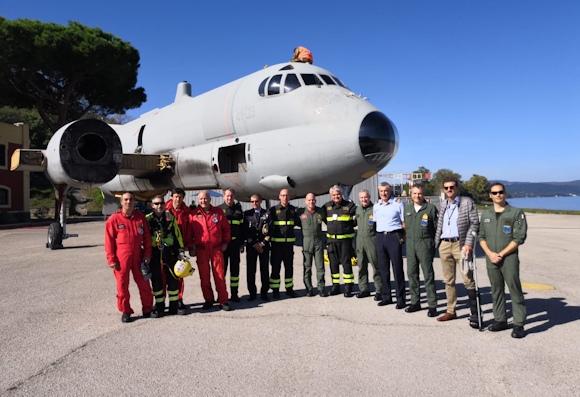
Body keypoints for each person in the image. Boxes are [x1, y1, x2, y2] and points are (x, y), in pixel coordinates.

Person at [479, 183, 528, 338]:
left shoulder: (516, 213)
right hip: (491, 258)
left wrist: (500, 254)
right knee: (496, 289)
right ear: (490, 195)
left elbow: (519, 238)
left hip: (509, 258)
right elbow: (481, 237)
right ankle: (500, 320)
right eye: (494, 193)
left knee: (514, 289)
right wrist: (490, 254)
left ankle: (519, 323)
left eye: (501, 192)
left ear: (505, 194)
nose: (498, 195)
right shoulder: (486, 214)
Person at [434, 177, 480, 327]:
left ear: (457, 188)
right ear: (443, 190)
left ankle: (475, 312)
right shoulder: (443, 204)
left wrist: (468, 243)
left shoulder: (467, 202)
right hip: (445, 244)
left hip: (460, 245)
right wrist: (438, 243)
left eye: (451, 187)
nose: (449, 190)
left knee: (467, 278)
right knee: (448, 280)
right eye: (446, 188)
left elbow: (474, 224)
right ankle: (451, 311)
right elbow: (439, 224)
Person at [104, 192, 153, 323]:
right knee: (122, 286)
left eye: (131, 199)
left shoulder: (140, 217)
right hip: (122, 258)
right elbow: (108, 241)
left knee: (144, 283)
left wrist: (147, 255)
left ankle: (148, 308)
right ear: (121, 202)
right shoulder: (114, 219)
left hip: (138, 256)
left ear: (134, 201)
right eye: (125, 199)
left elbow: (147, 238)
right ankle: (126, 311)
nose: (128, 202)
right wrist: (111, 259)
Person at [190, 190, 232, 311]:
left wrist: (225, 242)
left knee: (219, 276)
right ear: (199, 200)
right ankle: (208, 300)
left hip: (216, 249)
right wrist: (191, 247)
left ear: (210, 199)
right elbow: (190, 234)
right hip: (201, 250)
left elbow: (226, 229)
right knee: (204, 277)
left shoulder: (218, 212)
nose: (203, 201)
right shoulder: (193, 214)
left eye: (205, 198)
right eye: (201, 199)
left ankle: (223, 300)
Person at [145, 195, 184, 317]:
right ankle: (159, 307)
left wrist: (181, 250)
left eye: (161, 203)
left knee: (173, 280)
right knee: (156, 282)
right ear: (152, 205)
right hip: (155, 255)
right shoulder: (147, 219)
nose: (159, 206)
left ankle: (174, 306)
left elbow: (177, 234)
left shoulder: (170, 217)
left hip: (170, 254)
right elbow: (143, 238)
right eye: (156, 204)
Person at [404, 185, 438, 317]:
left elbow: (436, 228)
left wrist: (433, 245)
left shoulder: (430, 209)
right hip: (411, 244)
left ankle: (432, 305)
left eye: (419, 193)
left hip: (425, 244)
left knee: (428, 275)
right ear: (410, 195)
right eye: (414, 193)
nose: (417, 196)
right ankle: (415, 302)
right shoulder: (407, 208)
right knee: (412, 274)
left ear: (423, 194)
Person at [373, 182, 406, 308]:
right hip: (381, 237)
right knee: (383, 269)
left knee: (397, 269)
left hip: (394, 236)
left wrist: (402, 238)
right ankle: (386, 297)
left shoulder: (398, 204)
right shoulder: (377, 206)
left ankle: (401, 299)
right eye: (381, 191)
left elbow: (404, 223)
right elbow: (375, 222)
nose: (383, 193)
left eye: (386, 191)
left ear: (390, 190)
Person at [322, 185, 357, 297]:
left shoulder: (350, 206)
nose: (336, 196)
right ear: (331, 196)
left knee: (346, 263)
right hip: (331, 241)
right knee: (333, 264)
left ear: (341, 195)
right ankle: (335, 286)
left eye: (338, 194)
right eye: (334, 195)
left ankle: (348, 286)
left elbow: (355, 221)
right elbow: (324, 219)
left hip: (345, 242)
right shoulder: (326, 207)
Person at [166, 188, 195, 314]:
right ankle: (160, 302)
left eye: (180, 197)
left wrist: (189, 246)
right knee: (162, 275)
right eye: (176, 196)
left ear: (183, 198)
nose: (178, 199)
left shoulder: (187, 212)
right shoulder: (164, 210)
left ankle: (179, 299)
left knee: (179, 274)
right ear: (172, 197)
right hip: (165, 248)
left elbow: (189, 230)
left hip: (179, 248)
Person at [267, 188, 300, 299]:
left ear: (289, 197)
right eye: (283, 195)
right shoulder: (272, 210)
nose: (285, 197)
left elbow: (301, 223)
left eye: (286, 195)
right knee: (275, 269)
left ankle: (289, 289)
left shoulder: (293, 210)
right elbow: (268, 228)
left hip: (289, 246)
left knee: (289, 268)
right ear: (279, 197)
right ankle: (275, 291)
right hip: (276, 246)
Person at [355, 189, 383, 300]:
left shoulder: (375, 209)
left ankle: (379, 290)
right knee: (361, 266)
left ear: (369, 197)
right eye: (361, 198)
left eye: (365, 197)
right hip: (360, 241)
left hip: (372, 241)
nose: (364, 199)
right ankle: (364, 289)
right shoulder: (358, 209)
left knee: (376, 266)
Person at [297, 193, 327, 297]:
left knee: (320, 267)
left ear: (315, 201)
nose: (311, 202)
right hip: (307, 243)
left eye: (313, 200)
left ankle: (321, 288)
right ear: (305, 201)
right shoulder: (300, 213)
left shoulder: (320, 212)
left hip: (318, 243)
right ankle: (309, 289)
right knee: (307, 267)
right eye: (309, 200)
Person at [243, 193, 270, 301]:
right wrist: (254, 244)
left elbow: (270, 230)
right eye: (252, 201)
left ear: (261, 201)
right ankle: (252, 293)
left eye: (256, 201)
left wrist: (262, 244)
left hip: (264, 247)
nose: (254, 203)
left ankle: (264, 293)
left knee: (264, 270)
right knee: (251, 271)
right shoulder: (247, 214)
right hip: (251, 247)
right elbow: (245, 231)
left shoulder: (267, 213)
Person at [219, 188, 244, 302]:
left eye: (231, 196)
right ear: (223, 197)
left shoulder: (239, 210)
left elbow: (242, 229)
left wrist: (242, 244)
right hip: (223, 246)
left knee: (235, 271)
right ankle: (222, 295)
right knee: (222, 272)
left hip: (235, 245)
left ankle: (234, 294)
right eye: (227, 196)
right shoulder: (219, 210)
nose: (229, 198)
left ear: (234, 197)